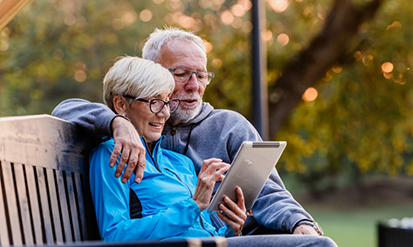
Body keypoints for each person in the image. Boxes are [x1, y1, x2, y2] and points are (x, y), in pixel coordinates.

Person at [52, 27, 327, 237]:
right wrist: (117, 123)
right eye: (182, 74)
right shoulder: (120, 142)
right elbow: (66, 109)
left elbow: (268, 190)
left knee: (313, 242)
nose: (194, 85)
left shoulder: (223, 130)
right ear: (153, 74)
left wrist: (298, 222)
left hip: (238, 237)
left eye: (202, 75)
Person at [89, 55, 337, 247]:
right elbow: (115, 236)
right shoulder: (110, 156)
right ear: (121, 104)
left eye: (166, 102)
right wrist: (194, 204)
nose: (164, 113)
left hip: (215, 243)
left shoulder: (179, 163)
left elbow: (206, 226)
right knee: (316, 245)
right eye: (154, 102)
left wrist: (232, 227)